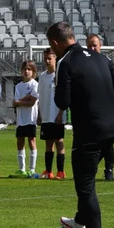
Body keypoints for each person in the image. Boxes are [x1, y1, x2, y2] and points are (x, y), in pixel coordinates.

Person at [50, 22, 114, 228]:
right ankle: (77, 223)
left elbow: (62, 101)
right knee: (88, 185)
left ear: (56, 43)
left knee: (85, 188)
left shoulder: (65, 62)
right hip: (110, 129)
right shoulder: (101, 58)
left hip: (88, 132)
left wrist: (61, 79)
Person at [86, 32, 114, 180]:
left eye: (94, 45)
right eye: (89, 46)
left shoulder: (107, 62)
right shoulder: (83, 64)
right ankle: (89, 169)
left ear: (100, 46)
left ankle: (108, 170)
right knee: (92, 141)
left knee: (108, 140)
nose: (92, 48)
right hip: (90, 108)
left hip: (107, 107)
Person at [38, 48, 66, 179]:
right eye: (45, 58)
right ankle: (48, 171)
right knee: (48, 142)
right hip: (45, 115)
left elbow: (63, 96)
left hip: (57, 114)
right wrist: (39, 114)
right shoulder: (42, 76)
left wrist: (61, 113)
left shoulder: (60, 75)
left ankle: (61, 171)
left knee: (59, 141)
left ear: (55, 58)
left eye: (50, 58)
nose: (47, 61)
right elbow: (41, 96)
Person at [11, 59, 40, 178]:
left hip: (31, 118)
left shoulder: (35, 84)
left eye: (29, 69)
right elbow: (16, 103)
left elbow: (32, 102)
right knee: (20, 142)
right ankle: (21, 168)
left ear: (33, 72)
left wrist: (21, 101)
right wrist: (25, 98)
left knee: (31, 141)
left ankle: (31, 169)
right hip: (21, 119)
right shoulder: (18, 86)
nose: (26, 72)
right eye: (24, 69)